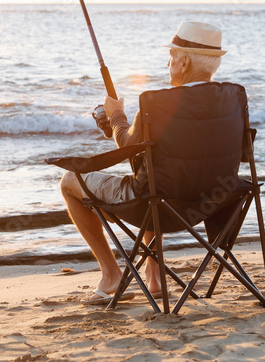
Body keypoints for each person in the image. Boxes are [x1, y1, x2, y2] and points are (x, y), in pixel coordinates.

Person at [60, 21, 228, 304]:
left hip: (159, 204)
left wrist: (116, 116)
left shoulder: (159, 104)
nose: (168, 63)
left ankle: (111, 273)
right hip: (211, 203)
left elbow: (127, 145)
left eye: (172, 57)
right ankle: (153, 272)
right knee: (157, 172)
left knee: (69, 182)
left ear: (184, 62)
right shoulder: (232, 99)